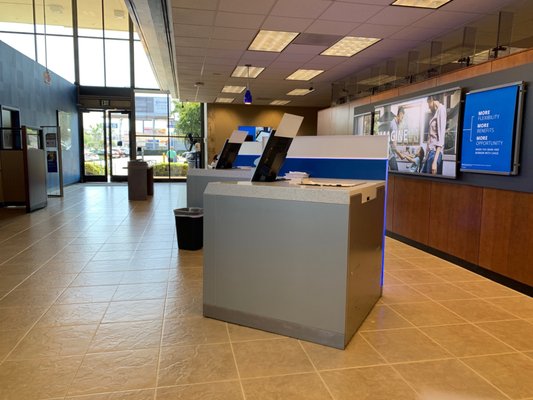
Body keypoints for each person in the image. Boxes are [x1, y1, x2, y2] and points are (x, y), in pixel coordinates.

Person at [422, 95, 446, 175]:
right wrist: (426, 156)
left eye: (428, 103)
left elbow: (441, 138)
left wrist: (435, 162)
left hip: (435, 153)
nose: (428, 107)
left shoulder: (441, 110)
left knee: (429, 183)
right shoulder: (435, 112)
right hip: (430, 153)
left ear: (432, 99)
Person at [388, 106, 405, 171]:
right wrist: (400, 155)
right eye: (402, 117)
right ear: (400, 114)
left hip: (389, 154)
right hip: (390, 155)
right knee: (396, 173)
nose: (402, 120)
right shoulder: (394, 125)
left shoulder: (392, 123)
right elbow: (393, 146)